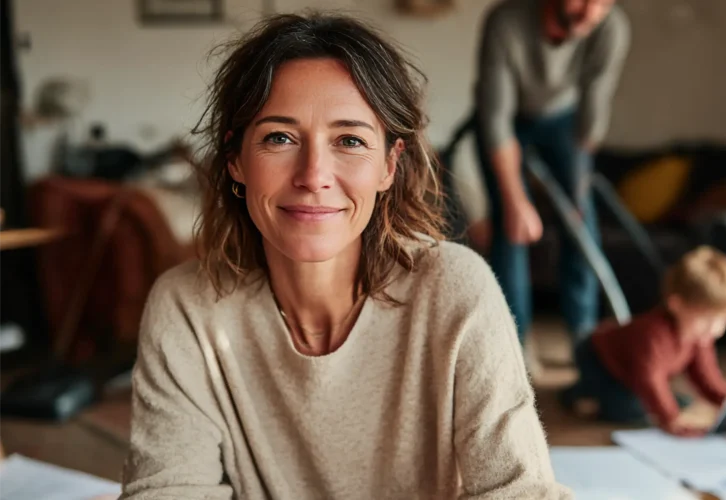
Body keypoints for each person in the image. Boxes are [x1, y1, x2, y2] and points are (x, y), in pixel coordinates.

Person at [120, 13, 571, 500]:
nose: (314, 175)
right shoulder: (186, 308)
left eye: (350, 141)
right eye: (279, 137)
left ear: (388, 166)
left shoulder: (456, 290)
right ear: (235, 159)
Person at [474, 0, 631, 348]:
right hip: (507, 118)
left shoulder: (610, 28)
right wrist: (516, 200)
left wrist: (576, 191)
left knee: (580, 223)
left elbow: (593, 112)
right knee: (511, 228)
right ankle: (514, 345)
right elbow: (496, 119)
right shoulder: (506, 21)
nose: (591, 13)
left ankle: (585, 342)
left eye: (603, 3)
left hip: (565, 120)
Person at [561, 246, 726, 436]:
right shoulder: (653, 335)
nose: (717, 330)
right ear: (677, 305)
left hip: (634, 373)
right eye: (707, 320)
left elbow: (706, 377)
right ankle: (580, 392)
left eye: (723, 321)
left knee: (667, 403)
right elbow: (650, 379)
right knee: (629, 410)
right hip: (597, 358)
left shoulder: (699, 337)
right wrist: (671, 417)